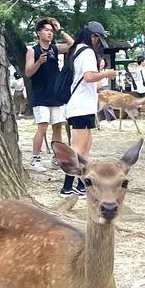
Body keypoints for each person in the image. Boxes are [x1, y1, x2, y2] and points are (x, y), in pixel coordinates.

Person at [59, 21, 116, 197]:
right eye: (98, 39)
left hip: (83, 106)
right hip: (80, 106)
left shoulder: (78, 50)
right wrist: (107, 73)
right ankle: (67, 187)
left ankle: (81, 185)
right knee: (78, 148)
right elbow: (89, 77)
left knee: (86, 146)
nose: (98, 43)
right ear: (93, 36)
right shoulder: (87, 52)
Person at [24, 18, 74, 172]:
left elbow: (73, 45)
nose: (49, 33)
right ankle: (35, 159)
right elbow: (27, 72)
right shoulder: (33, 50)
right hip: (40, 96)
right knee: (43, 127)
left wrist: (61, 30)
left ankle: (56, 158)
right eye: (46, 30)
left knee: (58, 126)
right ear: (38, 32)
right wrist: (38, 62)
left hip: (56, 95)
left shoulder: (55, 49)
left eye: (52, 31)